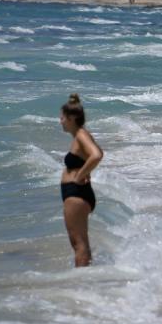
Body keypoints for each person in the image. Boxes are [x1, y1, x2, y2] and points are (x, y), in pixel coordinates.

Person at [59, 94, 104, 267]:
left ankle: (81, 283)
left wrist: (79, 176)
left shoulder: (81, 135)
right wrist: (86, 170)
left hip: (76, 193)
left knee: (79, 245)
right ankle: (86, 280)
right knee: (81, 244)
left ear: (71, 118)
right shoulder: (81, 135)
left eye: (62, 117)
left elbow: (97, 155)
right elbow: (92, 155)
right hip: (78, 193)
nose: (60, 121)